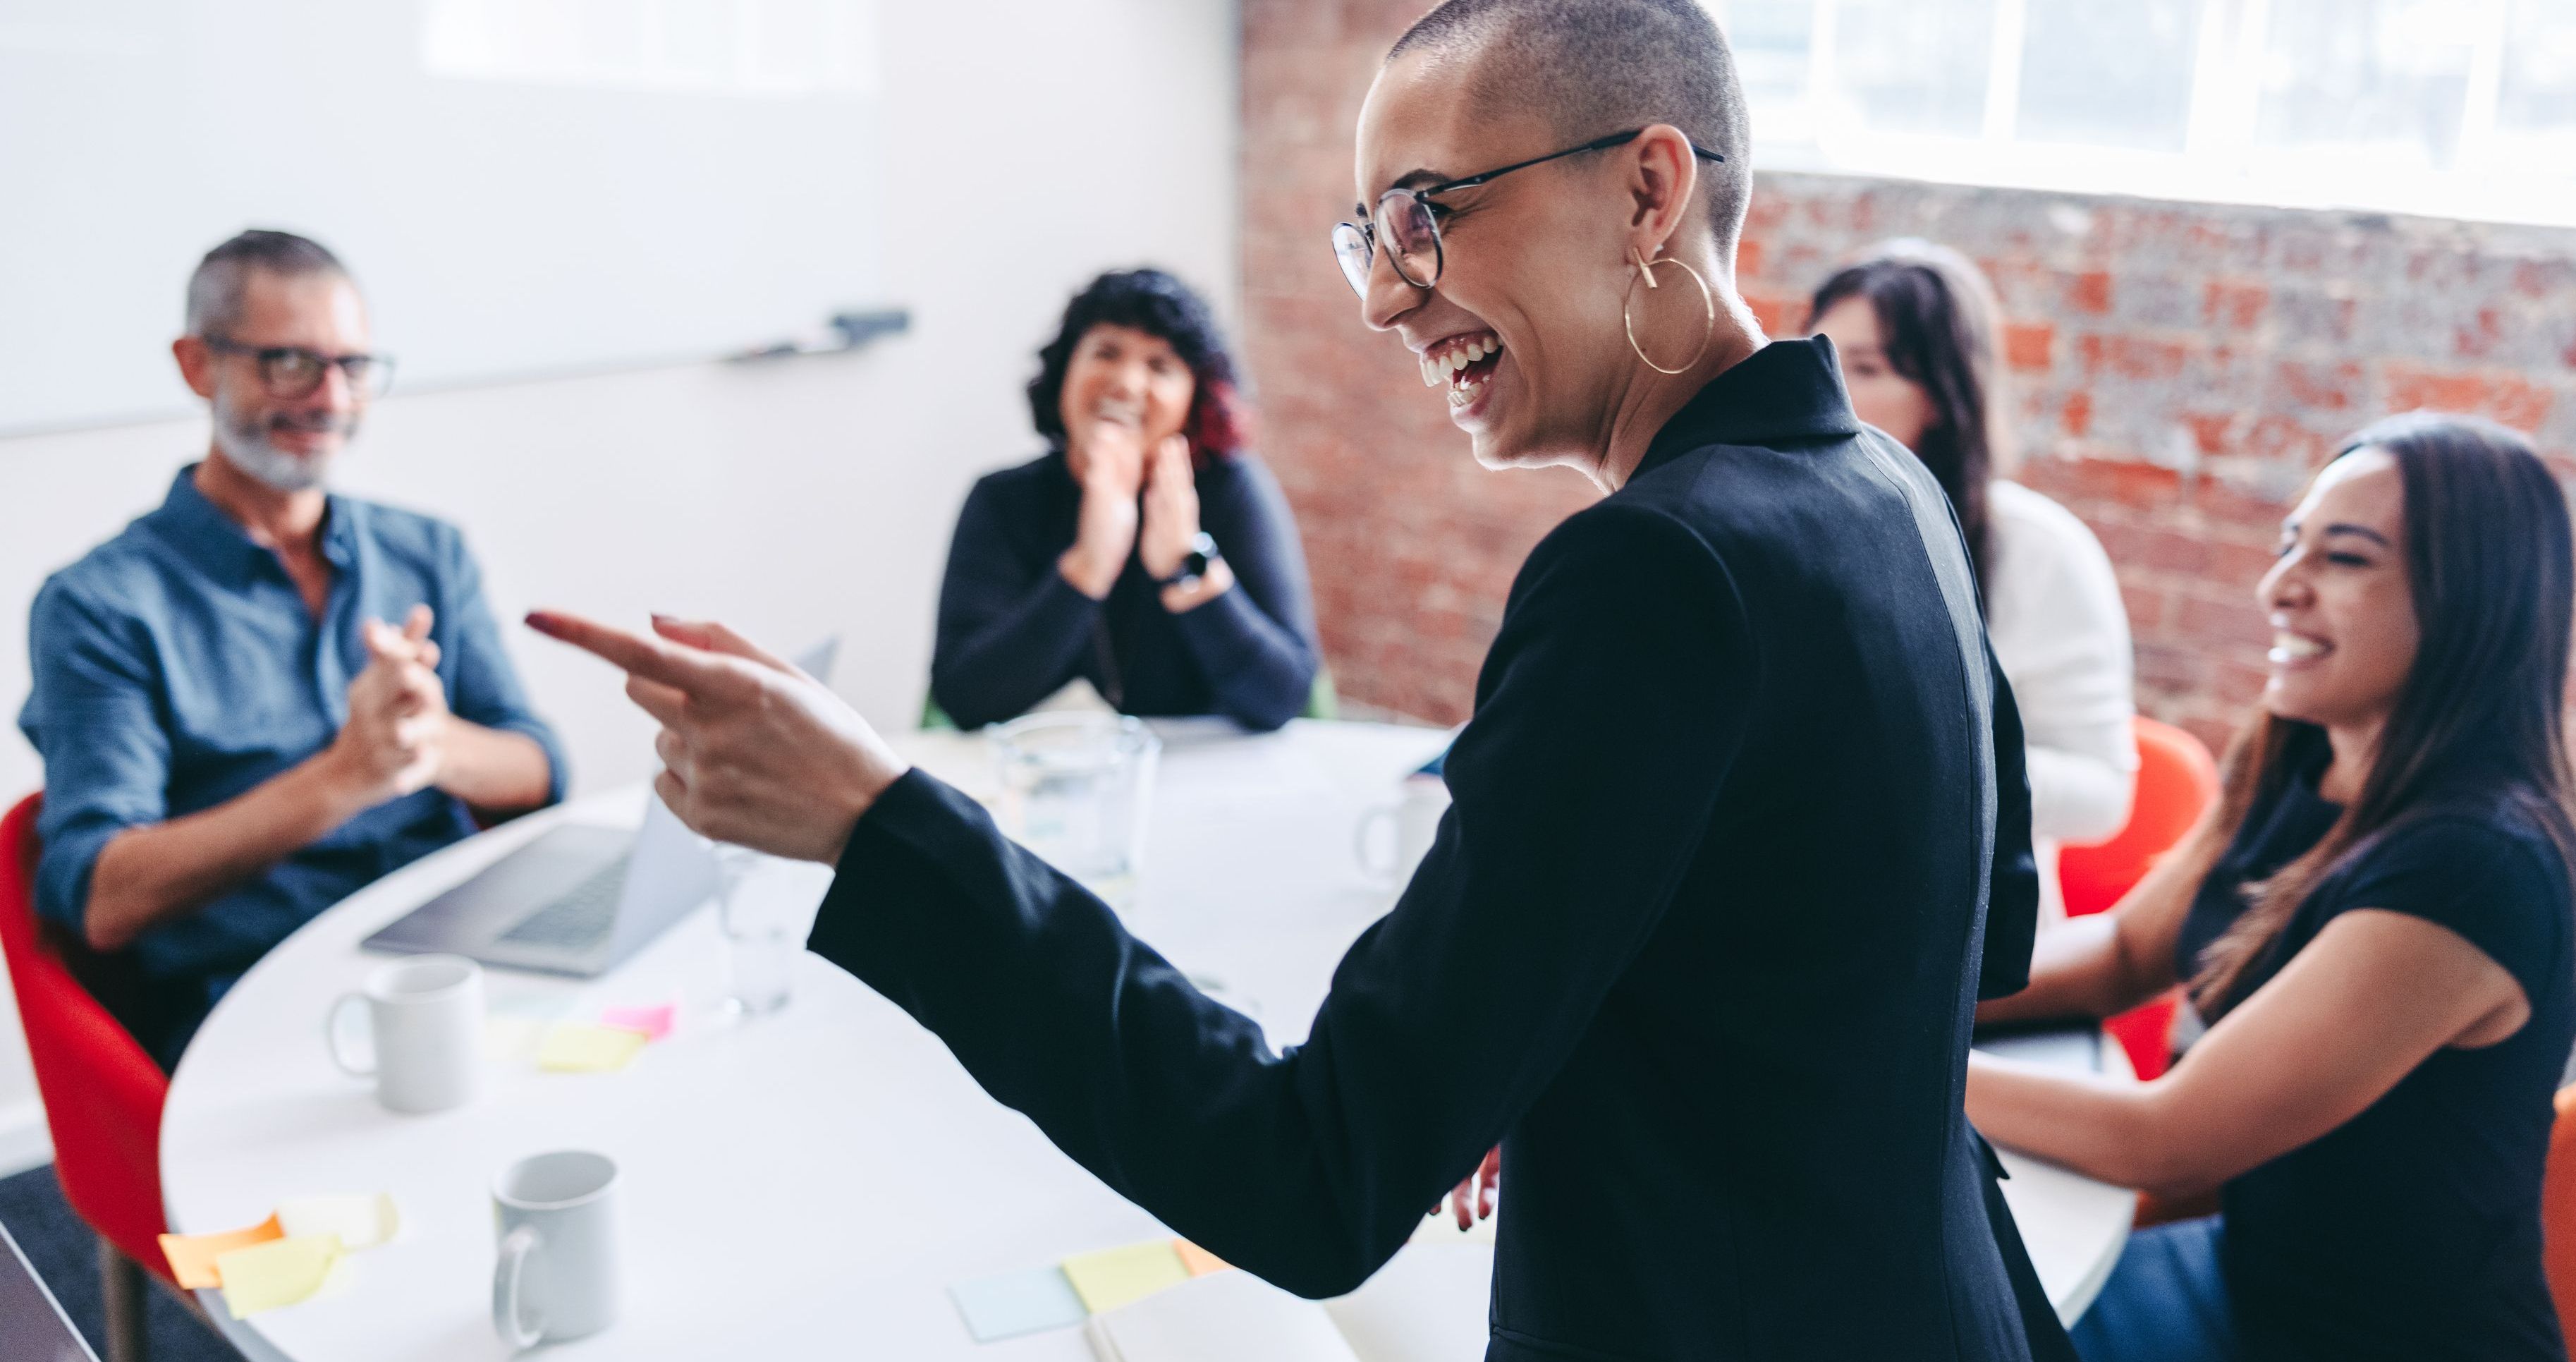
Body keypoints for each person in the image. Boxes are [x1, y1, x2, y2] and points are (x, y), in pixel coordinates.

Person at [532, 2, 2063, 1356]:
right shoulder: (1885, 487)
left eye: (1426, 215)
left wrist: (879, 821)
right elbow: (1964, 935)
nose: (1386, 298)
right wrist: (1555, 1030)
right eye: (1366, 240)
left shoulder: (1654, 571)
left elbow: (1314, 1171)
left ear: (1646, 189)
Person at [1966, 414, 2576, 1361]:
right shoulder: (2305, 758)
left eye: (2345, 558)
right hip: (2245, 1276)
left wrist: (1885, 1051)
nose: (2280, 588)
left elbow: (2161, 1139)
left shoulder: (2477, 867)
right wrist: (1903, 989)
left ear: (2474, 599)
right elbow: (2127, 950)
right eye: (2290, 544)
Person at [18, 230, 563, 1070]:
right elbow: (101, 894)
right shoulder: (99, 605)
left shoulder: (426, 552)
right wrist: (344, 776)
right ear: (198, 364)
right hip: (265, 1007)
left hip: (465, 960)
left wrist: (430, 745)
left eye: (354, 366)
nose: (331, 397)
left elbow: (538, 769)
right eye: (290, 363)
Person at [1812, 242, 2137, 916]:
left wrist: (1934, 757)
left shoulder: (2040, 550)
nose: (1829, 387)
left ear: (1941, 395)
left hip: (1968, 922)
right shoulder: (1785, 526)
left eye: (1866, 368)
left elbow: (2105, 794)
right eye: (1819, 358)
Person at [928, 269, 1319, 731]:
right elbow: (963, 698)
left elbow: (1284, 697)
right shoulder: (1002, 500)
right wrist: (1087, 567)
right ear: (1064, 371)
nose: (1128, 383)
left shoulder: (1232, 489)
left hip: (1201, 766)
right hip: (1048, 765)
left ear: (1194, 399)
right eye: (1106, 353)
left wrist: (1186, 566)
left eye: (1160, 366)